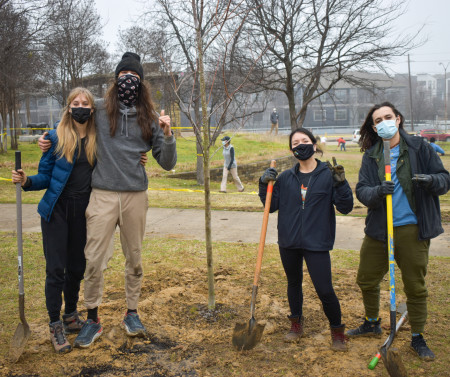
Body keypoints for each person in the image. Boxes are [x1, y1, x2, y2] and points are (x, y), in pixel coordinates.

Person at [39, 52, 177, 348]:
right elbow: (72, 120)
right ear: (115, 81)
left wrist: (167, 134)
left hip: (135, 196)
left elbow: (166, 163)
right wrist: (48, 137)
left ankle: (132, 312)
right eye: (124, 76)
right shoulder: (100, 110)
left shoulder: (150, 117)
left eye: (135, 78)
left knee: (135, 258)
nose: (129, 82)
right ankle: (93, 318)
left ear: (142, 84)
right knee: (94, 259)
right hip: (101, 195)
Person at [347, 102, 450, 361]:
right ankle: (372, 322)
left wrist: (430, 181)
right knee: (366, 278)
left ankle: (417, 337)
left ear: (399, 119)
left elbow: (444, 179)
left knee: (414, 286)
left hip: (412, 229)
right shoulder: (371, 155)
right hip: (380, 229)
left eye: (388, 117)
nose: (384, 122)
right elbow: (362, 191)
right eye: (378, 120)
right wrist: (378, 191)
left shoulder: (419, 147)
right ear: (373, 126)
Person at [12, 87, 97, 353]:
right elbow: (46, 178)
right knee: (56, 269)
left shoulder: (98, 139)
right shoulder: (55, 138)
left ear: (92, 109)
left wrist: (138, 158)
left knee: (76, 267)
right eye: (75, 103)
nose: (80, 106)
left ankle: (70, 315)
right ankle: (54, 324)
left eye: (85, 103)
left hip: (84, 212)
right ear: (68, 108)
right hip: (56, 211)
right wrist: (27, 181)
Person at [259, 127, 353, 351]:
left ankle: (338, 332)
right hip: (289, 241)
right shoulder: (285, 178)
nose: (299, 145)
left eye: (304, 141)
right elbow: (270, 207)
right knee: (293, 284)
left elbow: (346, 207)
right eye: (295, 143)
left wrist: (341, 184)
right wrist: (264, 185)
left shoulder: (328, 175)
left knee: (325, 289)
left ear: (314, 144)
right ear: (291, 150)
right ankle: (296, 324)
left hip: (317, 242)